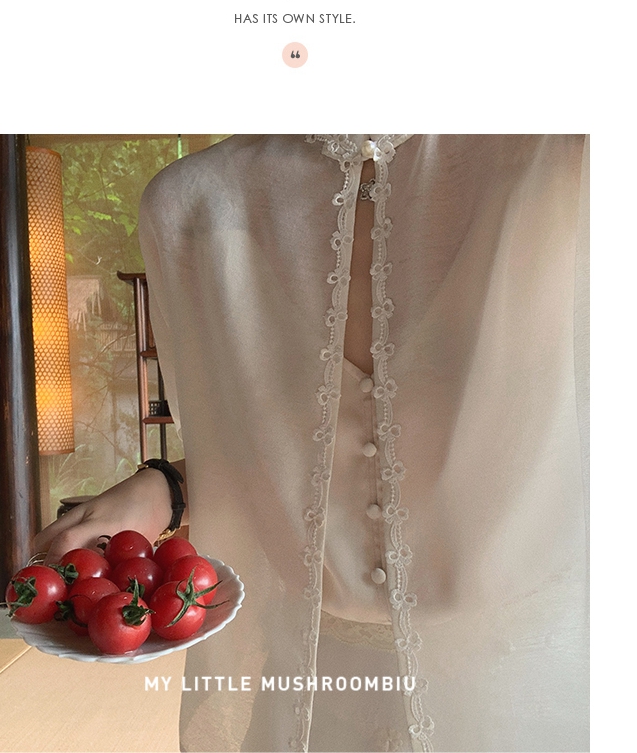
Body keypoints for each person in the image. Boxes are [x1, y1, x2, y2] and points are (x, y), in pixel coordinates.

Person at [36, 134, 589, 753]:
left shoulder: (568, 157)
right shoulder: (193, 207)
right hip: (314, 698)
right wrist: (168, 485)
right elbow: (289, 451)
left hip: (525, 695)